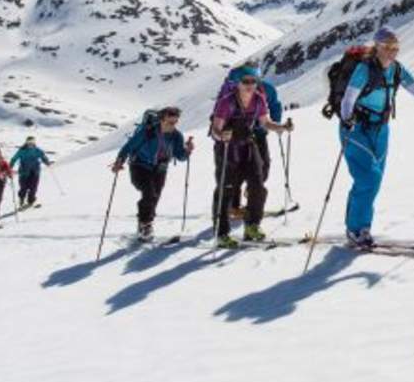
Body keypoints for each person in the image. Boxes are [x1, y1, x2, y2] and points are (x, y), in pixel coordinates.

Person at [336, 27, 414, 248]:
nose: (392, 51)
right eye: (387, 46)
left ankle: (361, 226)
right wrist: (348, 119)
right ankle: (355, 229)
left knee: (373, 180)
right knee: (369, 178)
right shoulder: (364, 69)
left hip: (381, 130)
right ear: (377, 46)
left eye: (395, 47)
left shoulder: (397, 70)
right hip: (356, 129)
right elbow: (348, 100)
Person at [210, 70, 293, 248]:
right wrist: (221, 136)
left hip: (248, 145)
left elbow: (265, 122)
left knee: (258, 186)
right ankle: (221, 233)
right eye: (245, 81)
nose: (249, 85)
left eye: (252, 81)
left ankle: (252, 226)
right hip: (227, 148)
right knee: (225, 189)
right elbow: (215, 128)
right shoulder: (227, 102)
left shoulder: (258, 99)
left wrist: (282, 127)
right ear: (238, 83)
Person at [112, 107, 194, 240]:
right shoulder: (147, 131)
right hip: (139, 166)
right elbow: (129, 147)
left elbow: (180, 156)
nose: (173, 125)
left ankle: (146, 225)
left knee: (154, 197)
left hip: (160, 169)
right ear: (161, 120)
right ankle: (145, 225)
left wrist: (187, 151)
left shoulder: (176, 136)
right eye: (170, 122)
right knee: (149, 193)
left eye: (175, 122)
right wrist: (119, 161)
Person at [11, 136, 51, 209]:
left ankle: (31, 200)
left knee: (33, 187)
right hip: (24, 172)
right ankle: (21, 200)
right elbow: (14, 158)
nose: (30, 144)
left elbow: (43, 156)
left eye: (32, 142)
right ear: (26, 143)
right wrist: (10, 166)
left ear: (34, 143)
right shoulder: (22, 150)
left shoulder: (37, 150)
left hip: (35, 171)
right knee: (23, 187)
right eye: (29, 142)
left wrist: (46, 162)